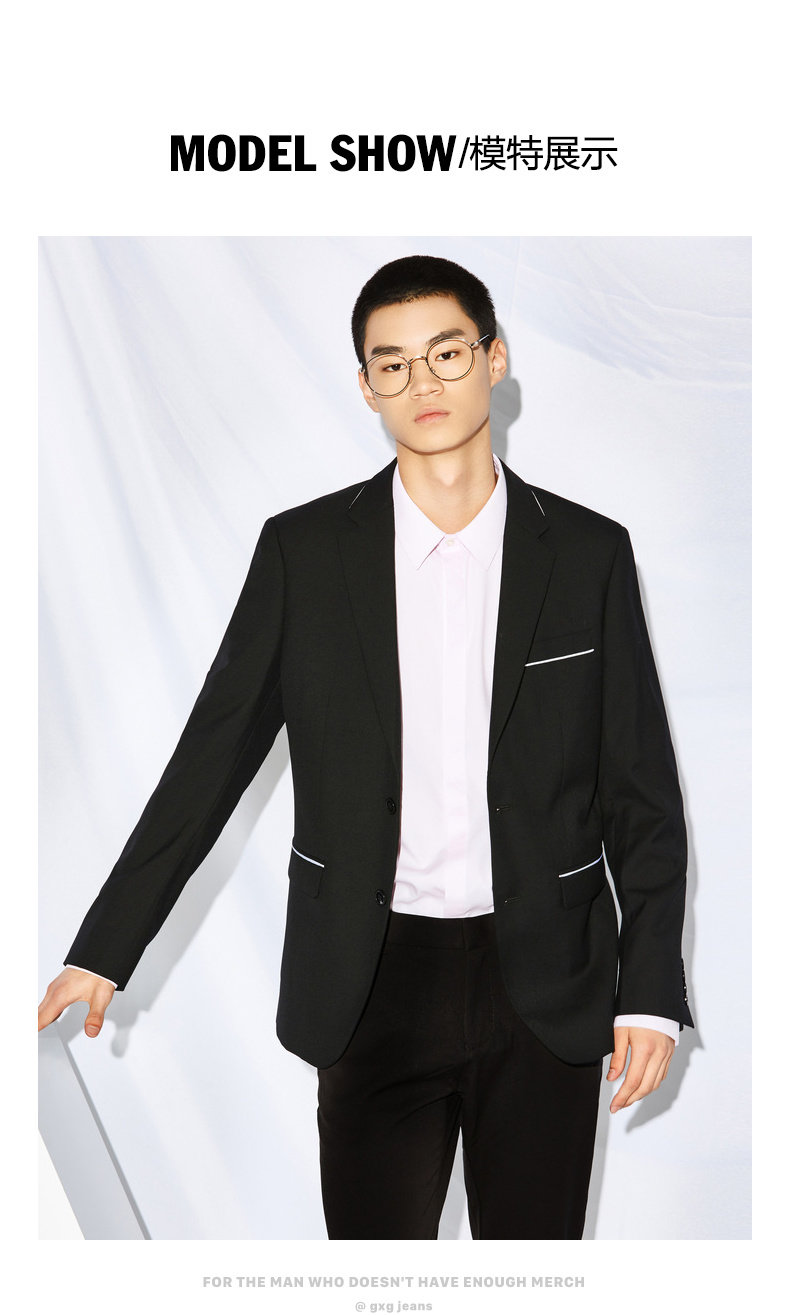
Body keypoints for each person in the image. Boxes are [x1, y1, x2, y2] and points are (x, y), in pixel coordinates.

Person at [38, 254, 693, 1240]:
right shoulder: (304, 553)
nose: (422, 381)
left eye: (446, 353)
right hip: (368, 976)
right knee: (373, 1285)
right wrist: (105, 945)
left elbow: (641, 794)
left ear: (494, 358)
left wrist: (648, 992)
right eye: (393, 364)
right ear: (366, 386)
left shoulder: (588, 552)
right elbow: (210, 759)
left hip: (548, 982)